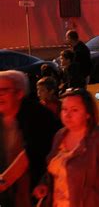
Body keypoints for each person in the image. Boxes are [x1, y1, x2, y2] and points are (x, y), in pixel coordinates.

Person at [33, 88, 99, 206]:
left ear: (88, 114)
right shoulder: (60, 135)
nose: (67, 114)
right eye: (64, 109)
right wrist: (44, 184)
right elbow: (54, 168)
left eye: (74, 110)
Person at [0, 70, 61, 207]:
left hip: (38, 190)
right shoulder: (2, 115)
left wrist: (3, 181)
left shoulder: (37, 115)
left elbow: (31, 153)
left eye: (4, 90)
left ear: (19, 93)